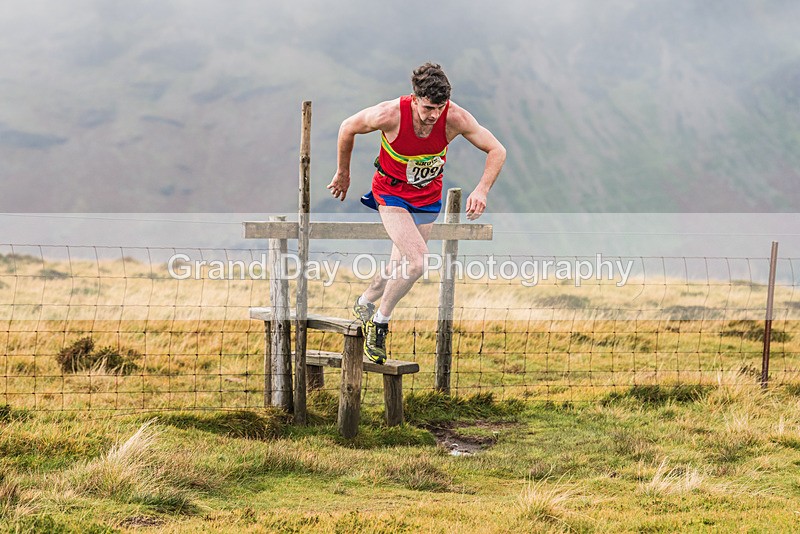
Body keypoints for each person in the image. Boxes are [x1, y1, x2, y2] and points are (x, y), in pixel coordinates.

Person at [327, 62, 506, 364]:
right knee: (417, 261)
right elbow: (348, 127)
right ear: (414, 98)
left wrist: (482, 190)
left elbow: (497, 150)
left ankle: (365, 301)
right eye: (427, 108)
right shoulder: (389, 114)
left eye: (439, 107)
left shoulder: (456, 118)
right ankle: (380, 324)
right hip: (391, 193)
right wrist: (343, 173)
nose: (433, 115)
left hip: (427, 198)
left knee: (397, 269)